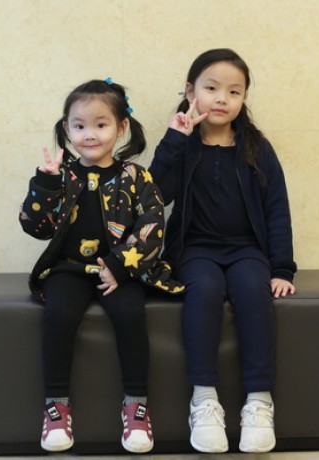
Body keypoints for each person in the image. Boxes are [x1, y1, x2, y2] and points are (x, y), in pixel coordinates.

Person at [19, 78, 183, 453]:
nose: (89, 134)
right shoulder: (60, 176)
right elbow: (35, 227)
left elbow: (152, 226)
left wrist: (119, 265)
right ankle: (56, 407)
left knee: (130, 314)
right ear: (67, 129)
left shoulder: (136, 177)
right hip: (69, 269)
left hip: (121, 270)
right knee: (59, 314)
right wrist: (44, 185)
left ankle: (136, 406)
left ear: (121, 127)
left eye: (100, 124)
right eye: (79, 126)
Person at [149, 49, 297, 453]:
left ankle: (259, 401)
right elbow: (154, 195)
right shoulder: (183, 145)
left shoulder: (257, 148)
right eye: (212, 88)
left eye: (234, 91)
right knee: (206, 289)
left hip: (247, 249)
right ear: (190, 92)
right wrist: (174, 140)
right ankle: (204, 399)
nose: (222, 99)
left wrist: (282, 268)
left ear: (243, 98)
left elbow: (277, 209)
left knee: (252, 288)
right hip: (195, 249)